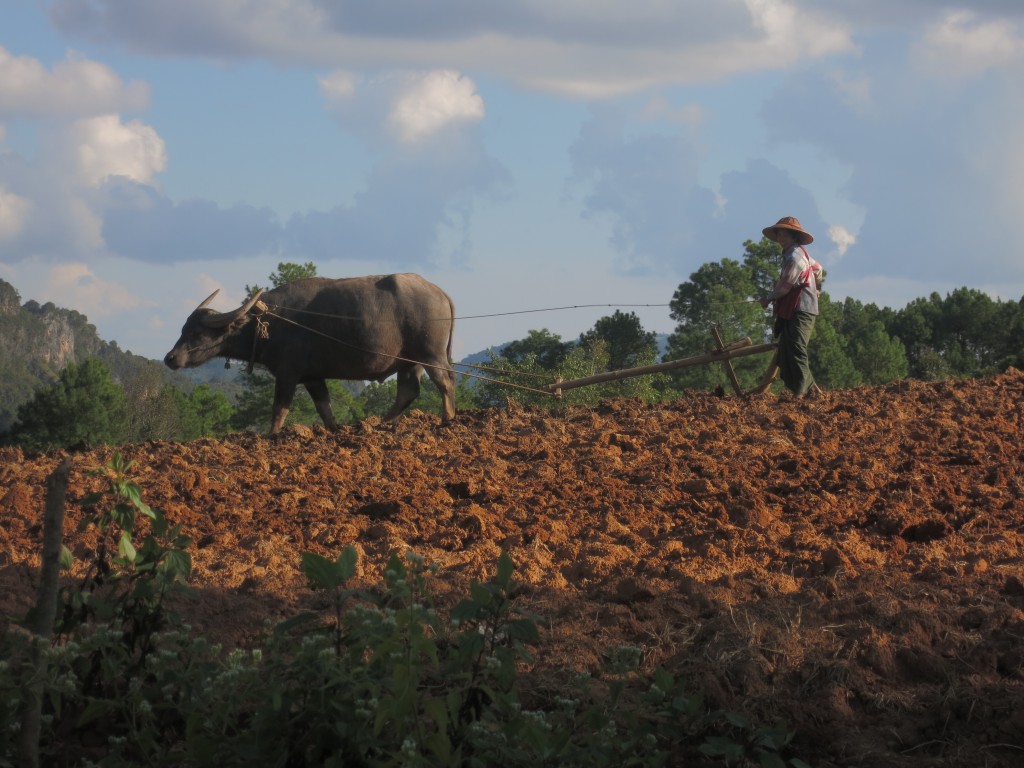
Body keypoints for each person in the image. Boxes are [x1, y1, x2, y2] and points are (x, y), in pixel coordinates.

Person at [759, 216, 824, 397]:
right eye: (779, 234)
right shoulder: (797, 254)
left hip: (802, 308)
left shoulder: (795, 257)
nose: (781, 238)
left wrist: (769, 298)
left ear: (794, 237)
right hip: (794, 308)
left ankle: (801, 390)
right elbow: (818, 268)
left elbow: (785, 285)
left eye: (785, 234)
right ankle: (811, 389)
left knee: (796, 347)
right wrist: (817, 287)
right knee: (788, 347)